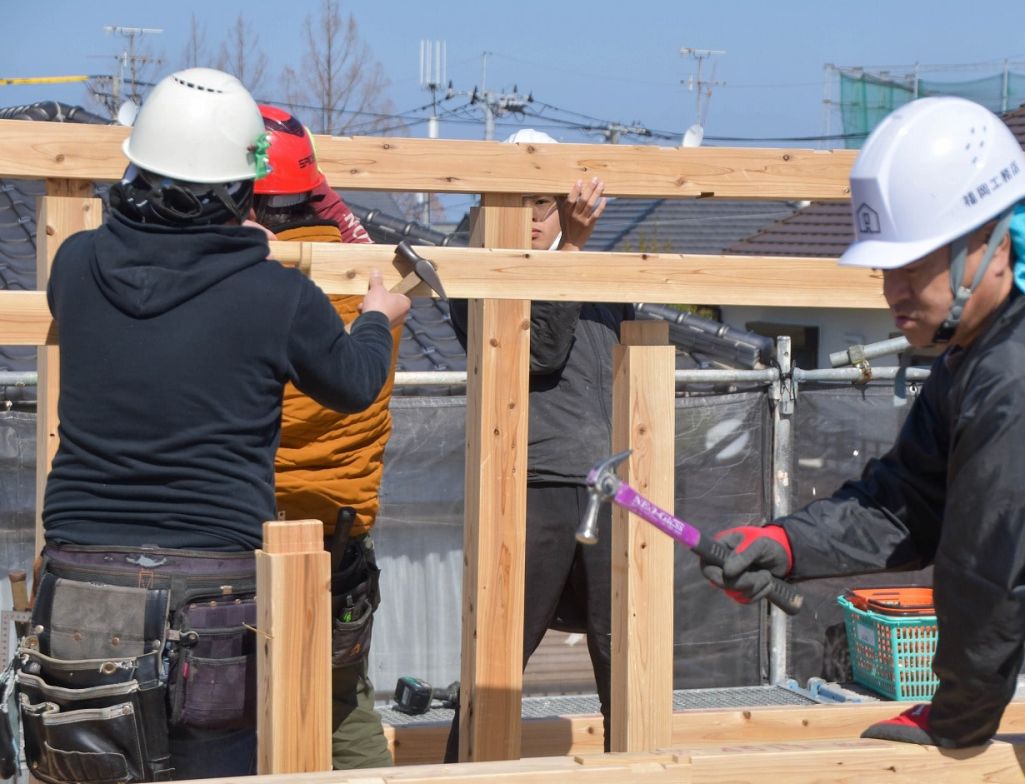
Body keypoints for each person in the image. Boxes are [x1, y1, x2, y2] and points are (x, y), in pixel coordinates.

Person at [701, 96, 1025, 784]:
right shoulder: (986, 354)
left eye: (914, 265)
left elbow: (988, 570)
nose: (892, 292)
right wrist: (786, 545)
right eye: (885, 270)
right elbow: (904, 503)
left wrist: (958, 719)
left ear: (992, 244)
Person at [32, 68, 409, 781]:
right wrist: (375, 321)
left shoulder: (74, 266)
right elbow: (353, 383)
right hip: (209, 597)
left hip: (81, 582)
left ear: (137, 165)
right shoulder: (275, 295)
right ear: (242, 194)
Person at [444, 128, 630, 761]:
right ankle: (460, 771)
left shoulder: (589, 270)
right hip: (534, 482)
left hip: (610, 485)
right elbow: (538, 353)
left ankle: (633, 768)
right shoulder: (474, 262)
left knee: (623, 652)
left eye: (541, 205)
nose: (526, 220)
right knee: (500, 654)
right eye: (513, 202)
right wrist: (571, 244)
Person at [254, 103, 398, 770]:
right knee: (344, 707)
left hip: (256, 542)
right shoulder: (373, 286)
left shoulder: (255, 293)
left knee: (234, 712)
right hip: (344, 543)